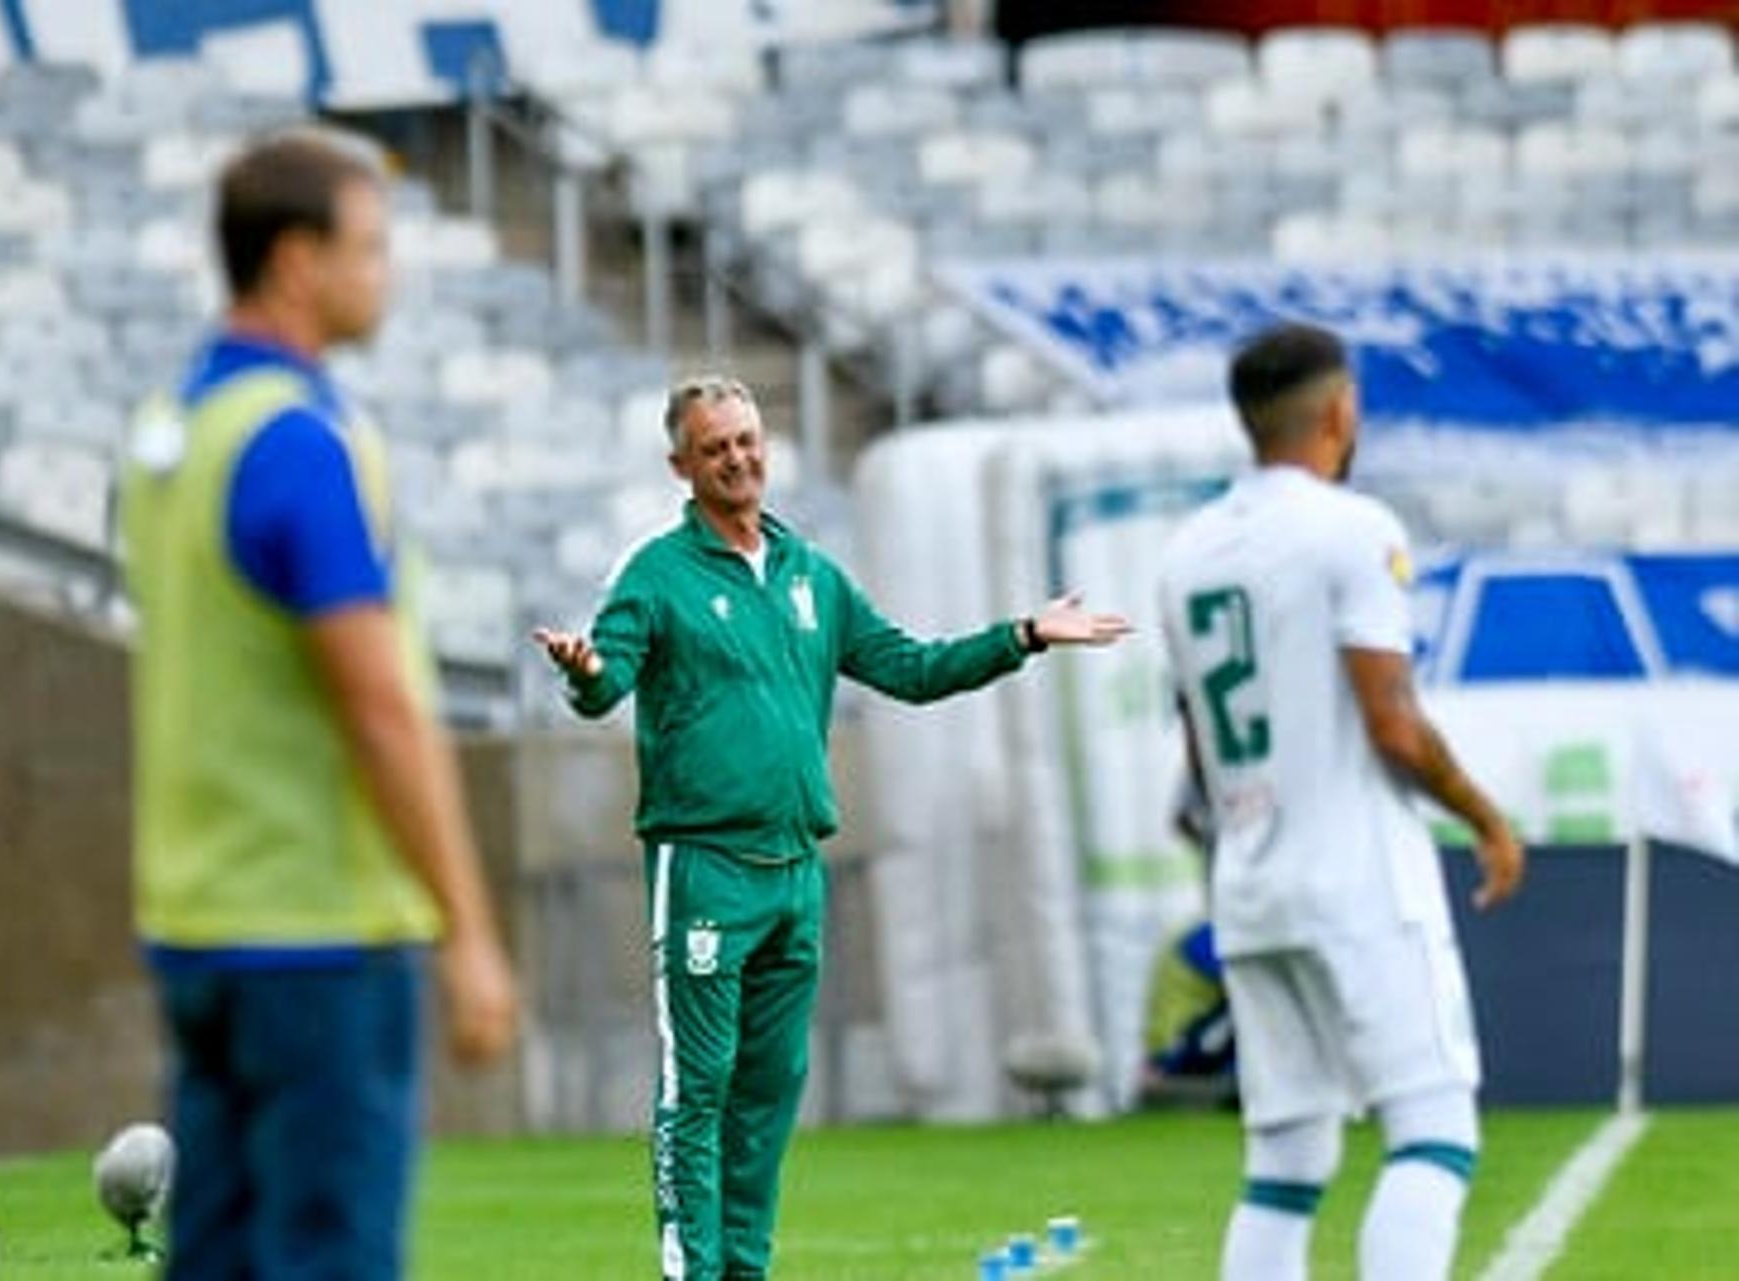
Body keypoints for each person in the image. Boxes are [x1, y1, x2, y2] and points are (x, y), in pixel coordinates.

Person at [534, 376, 1132, 1281]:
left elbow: (913, 668)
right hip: (705, 868)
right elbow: (606, 682)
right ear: (680, 466)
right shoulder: (656, 574)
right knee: (698, 1088)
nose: (736, 458)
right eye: (714, 447)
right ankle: (690, 1271)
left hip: (793, 870)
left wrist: (1024, 634)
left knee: (770, 1092)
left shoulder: (812, 574)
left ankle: (744, 1267)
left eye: (745, 439)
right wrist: (582, 672)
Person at [118, 127, 518, 1281]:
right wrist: (470, 933)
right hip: (322, 934)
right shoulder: (299, 442)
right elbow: (378, 705)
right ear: (298, 262)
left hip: (197, 921)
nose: (383, 273)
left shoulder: (172, 431)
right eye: (371, 247)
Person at [1157, 322, 1526, 1281]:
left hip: (1250, 883)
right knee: (1434, 1132)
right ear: (1340, 409)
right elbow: (1393, 724)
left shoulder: (1187, 551)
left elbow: (1198, 746)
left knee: (1285, 1165)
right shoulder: (1353, 528)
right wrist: (1485, 817)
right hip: (1357, 880)